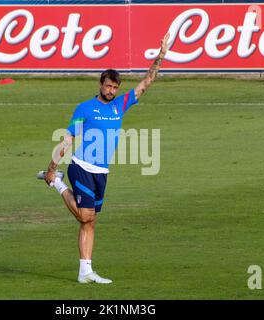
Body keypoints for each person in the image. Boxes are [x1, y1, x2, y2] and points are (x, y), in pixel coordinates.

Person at [38, 34, 169, 284]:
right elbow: (68, 139)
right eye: (108, 86)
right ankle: (58, 183)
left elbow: (147, 81)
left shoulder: (120, 105)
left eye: (115, 87)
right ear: (101, 84)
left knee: (91, 221)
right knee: (84, 216)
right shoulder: (85, 108)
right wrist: (51, 169)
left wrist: (161, 54)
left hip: (101, 172)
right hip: (81, 167)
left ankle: (85, 271)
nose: (111, 91)